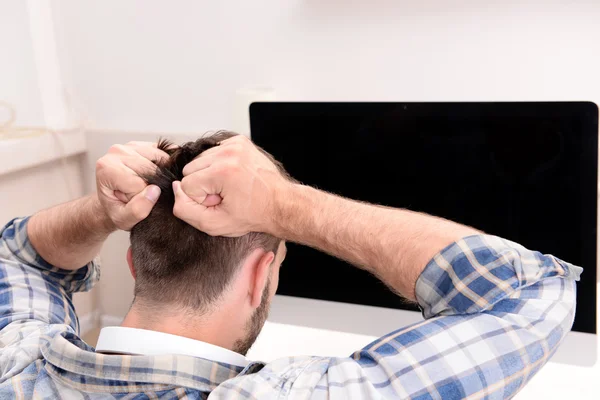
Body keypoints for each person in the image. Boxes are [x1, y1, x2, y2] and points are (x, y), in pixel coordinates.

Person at [0, 132, 580, 399]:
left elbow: (18, 257)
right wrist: (284, 206)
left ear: (132, 257)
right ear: (261, 275)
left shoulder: (16, 363)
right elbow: (527, 288)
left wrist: (101, 211)